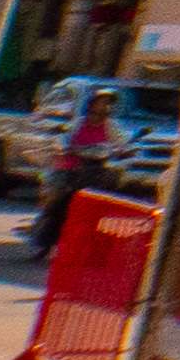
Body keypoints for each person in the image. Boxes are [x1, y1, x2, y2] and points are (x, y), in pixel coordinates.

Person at [25, 89, 124, 261]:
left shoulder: (111, 126)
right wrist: (66, 148)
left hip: (95, 172)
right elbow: (64, 139)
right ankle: (45, 240)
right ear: (91, 104)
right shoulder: (79, 123)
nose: (104, 107)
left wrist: (123, 150)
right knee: (58, 204)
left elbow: (120, 143)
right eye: (101, 102)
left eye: (108, 103)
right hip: (71, 171)